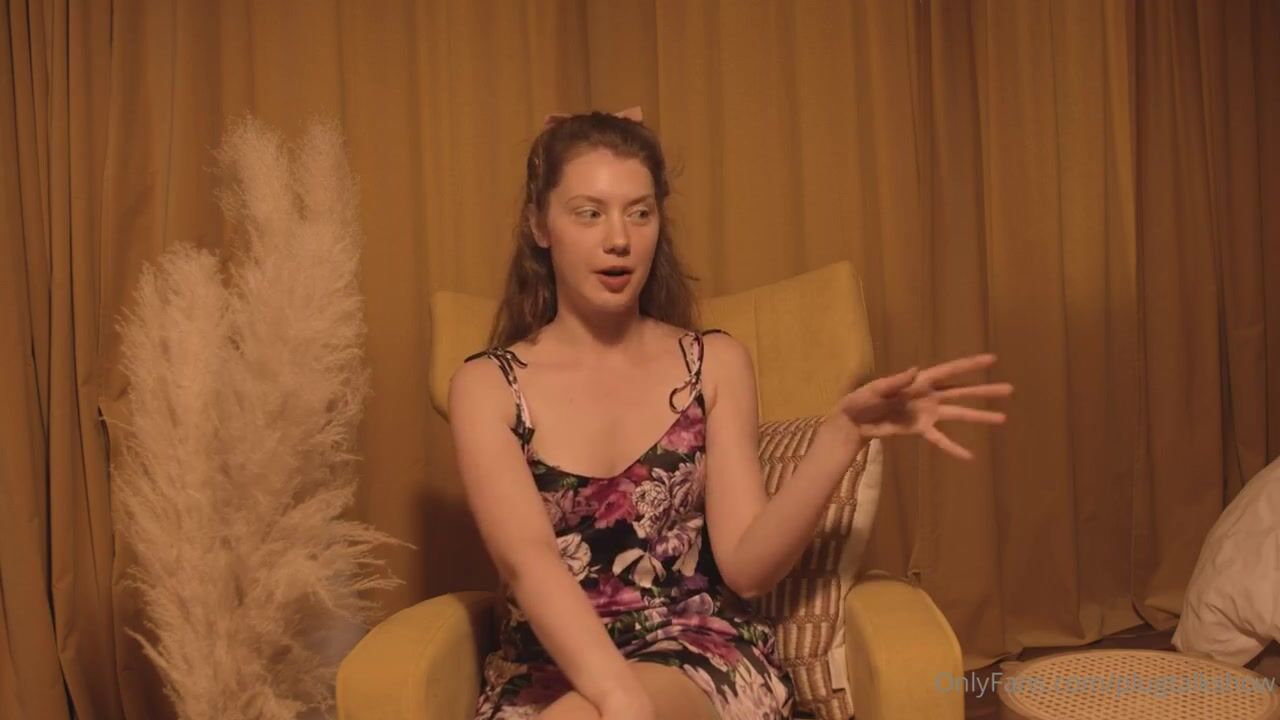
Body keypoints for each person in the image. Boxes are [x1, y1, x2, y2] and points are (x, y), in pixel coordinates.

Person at [448, 108, 1014, 720]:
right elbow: (528, 561)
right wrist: (616, 696)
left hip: (694, 655)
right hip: (545, 673)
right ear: (539, 224)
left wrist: (843, 433)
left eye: (640, 212)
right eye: (589, 213)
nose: (619, 239)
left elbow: (747, 568)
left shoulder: (713, 363)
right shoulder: (486, 387)